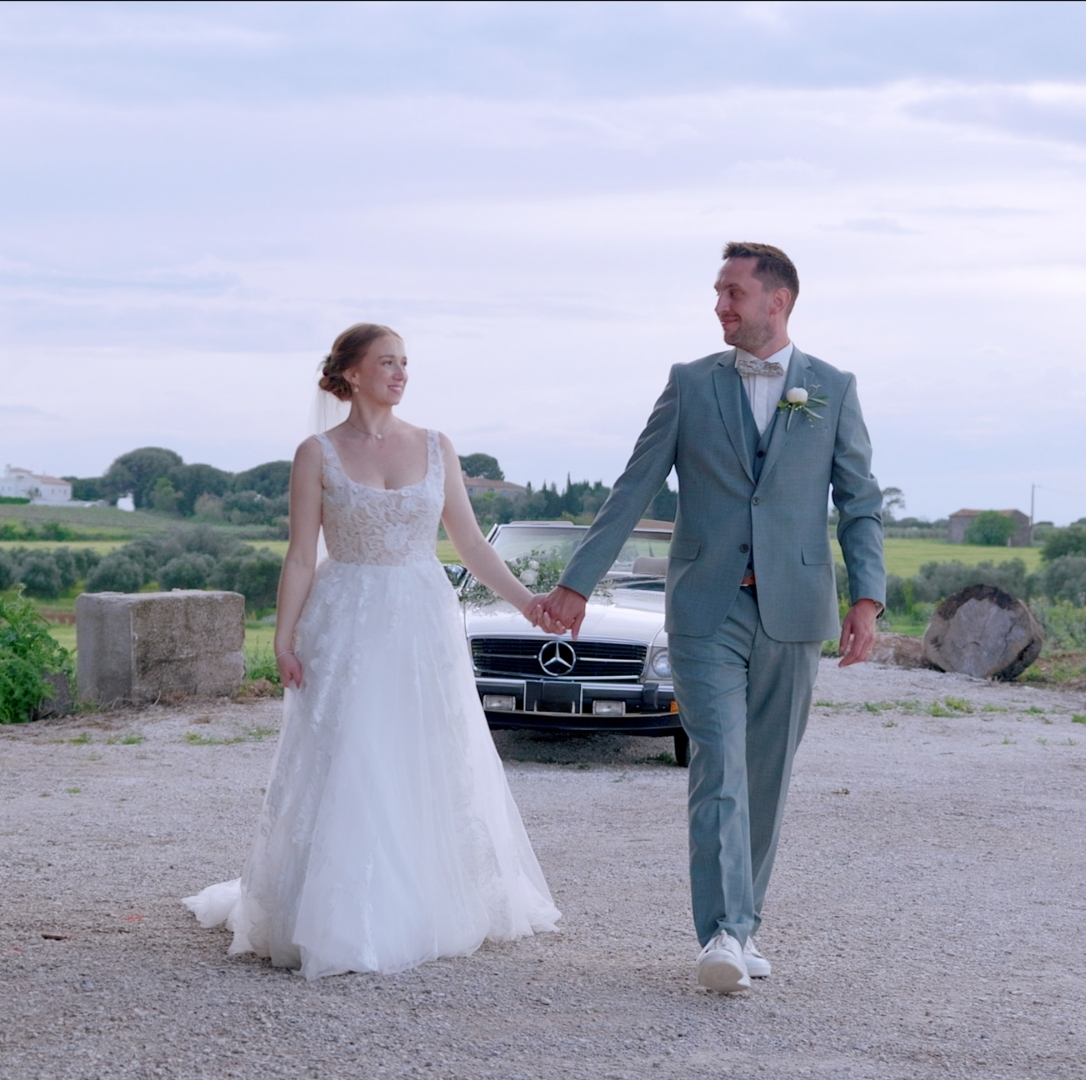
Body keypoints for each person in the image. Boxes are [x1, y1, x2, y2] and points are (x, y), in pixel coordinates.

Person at [531, 242, 886, 993]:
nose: (719, 305)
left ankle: (744, 921)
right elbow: (633, 486)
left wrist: (867, 598)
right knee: (718, 761)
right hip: (704, 607)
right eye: (717, 292)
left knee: (766, 772)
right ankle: (722, 933)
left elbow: (859, 501)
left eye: (732, 292)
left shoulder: (833, 388)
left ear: (776, 301)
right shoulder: (690, 384)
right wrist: (576, 584)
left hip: (793, 608)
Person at [184, 323, 561, 979]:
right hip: (345, 622)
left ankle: (425, 901)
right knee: (352, 753)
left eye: (406, 363)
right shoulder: (316, 454)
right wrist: (283, 637)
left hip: (421, 616)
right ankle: (341, 915)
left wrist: (528, 603)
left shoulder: (436, 445)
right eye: (387, 362)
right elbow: (302, 555)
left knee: (421, 751)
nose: (401, 373)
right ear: (351, 372)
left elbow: (469, 545)